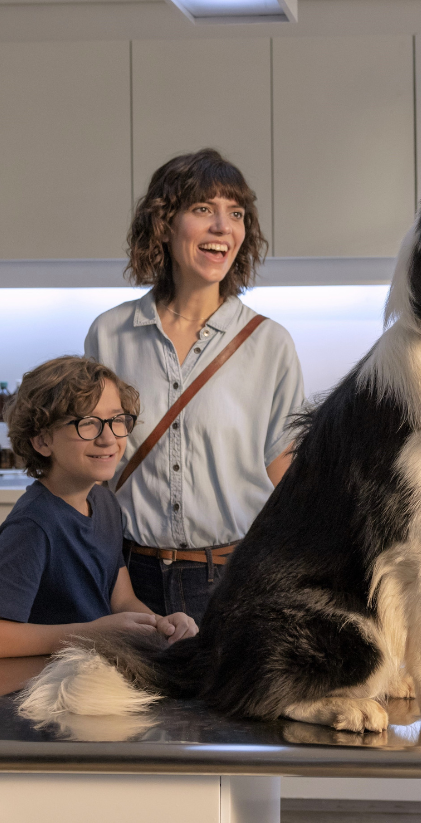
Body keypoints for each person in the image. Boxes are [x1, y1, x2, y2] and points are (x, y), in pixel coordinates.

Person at [86, 149, 304, 627]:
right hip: (127, 578)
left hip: (232, 578)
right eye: (203, 209)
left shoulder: (270, 344)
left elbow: (284, 469)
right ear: (164, 223)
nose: (223, 227)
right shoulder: (109, 335)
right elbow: (95, 465)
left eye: (236, 213)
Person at [0, 355, 199, 660]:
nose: (108, 438)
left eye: (117, 420)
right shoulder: (35, 524)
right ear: (42, 441)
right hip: (45, 688)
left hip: (91, 676)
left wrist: (162, 626)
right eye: (88, 423)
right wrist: (91, 632)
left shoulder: (104, 502)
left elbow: (121, 601)